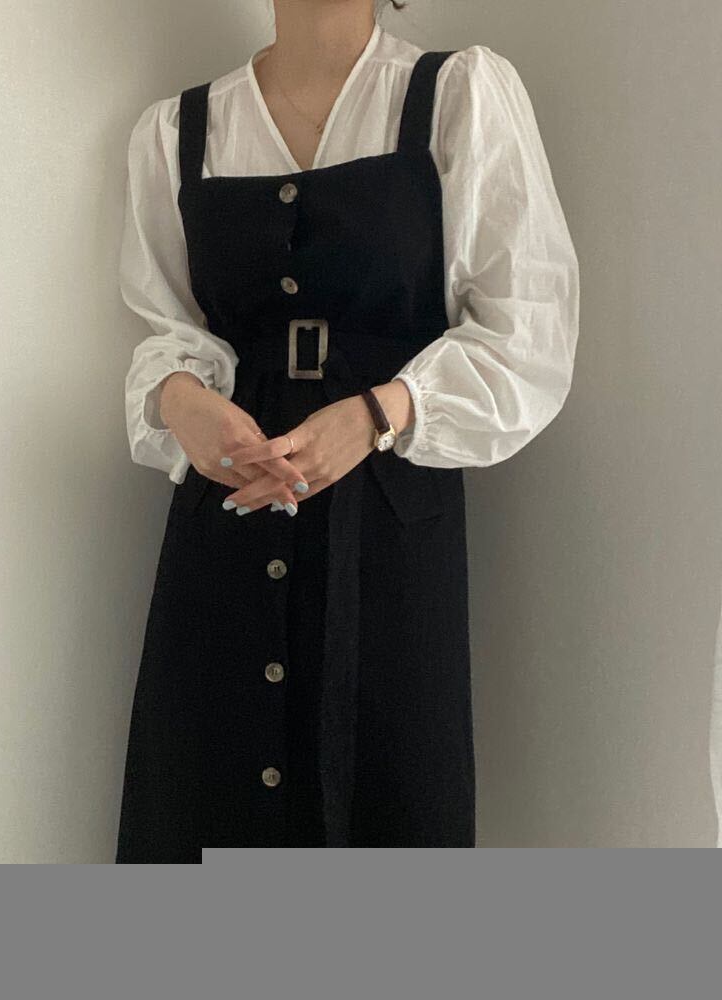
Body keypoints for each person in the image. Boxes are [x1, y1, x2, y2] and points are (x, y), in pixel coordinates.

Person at [115, 0, 580, 862]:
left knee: (386, 793)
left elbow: (529, 332)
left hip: (390, 515)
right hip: (230, 509)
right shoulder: (178, 129)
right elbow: (170, 327)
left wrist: (376, 414)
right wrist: (180, 401)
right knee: (208, 796)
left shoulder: (454, 95)